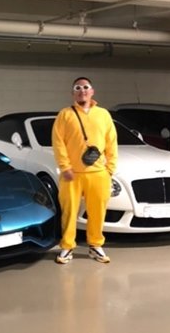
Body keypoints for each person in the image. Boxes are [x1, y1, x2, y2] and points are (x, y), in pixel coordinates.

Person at [51, 77, 118, 264]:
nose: (82, 90)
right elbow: (58, 143)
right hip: (71, 174)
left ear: (92, 91)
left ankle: (95, 245)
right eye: (78, 88)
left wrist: (110, 169)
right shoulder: (65, 115)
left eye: (86, 87)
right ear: (73, 93)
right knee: (69, 212)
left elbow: (111, 142)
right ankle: (67, 247)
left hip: (99, 174)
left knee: (97, 212)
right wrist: (65, 167)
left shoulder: (103, 114)